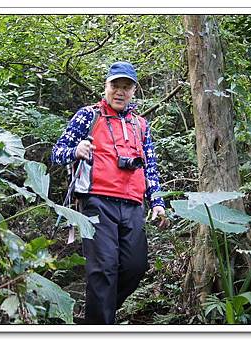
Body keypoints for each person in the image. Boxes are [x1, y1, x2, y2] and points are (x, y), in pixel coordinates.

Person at [51, 61, 168, 324]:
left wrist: (157, 202)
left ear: (134, 91)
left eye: (126, 87)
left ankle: (96, 316)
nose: (120, 92)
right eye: (115, 85)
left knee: (135, 267)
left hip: (133, 205)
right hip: (96, 202)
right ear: (106, 87)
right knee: (103, 269)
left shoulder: (141, 124)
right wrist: (75, 150)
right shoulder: (87, 115)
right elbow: (57, 152)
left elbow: (149, 166)